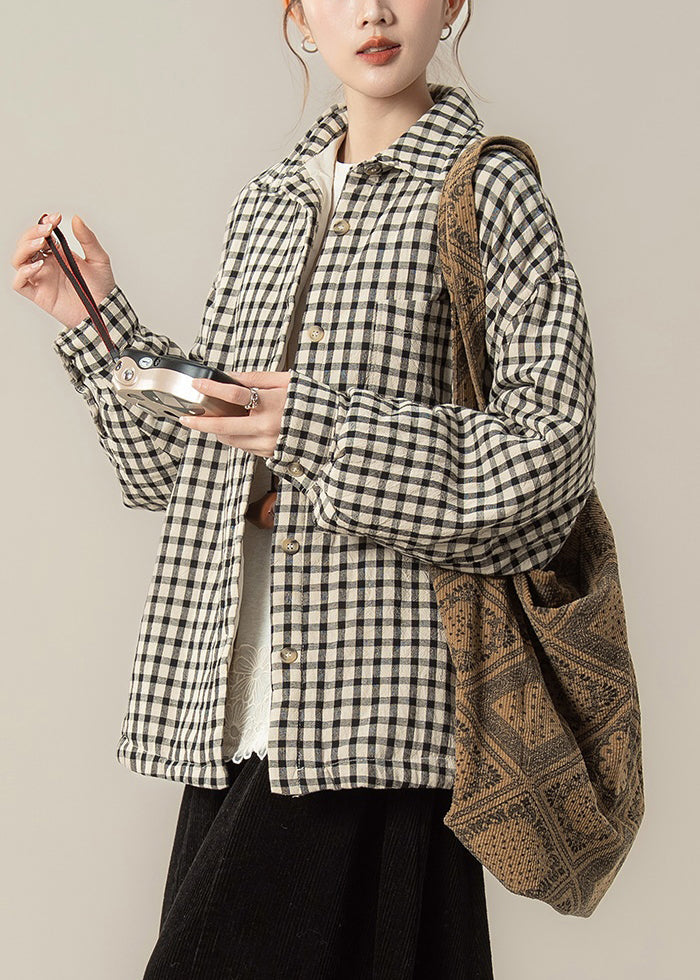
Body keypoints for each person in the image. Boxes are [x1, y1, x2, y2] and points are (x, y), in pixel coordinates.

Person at [11, 1, 597, 977]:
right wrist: (100, 326)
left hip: (378, 711)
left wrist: (316, 430)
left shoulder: (487, 190)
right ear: (296, 15)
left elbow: (549, 459)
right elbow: (180, 475)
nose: (372, 11)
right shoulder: (269, 205)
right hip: (237, 710)